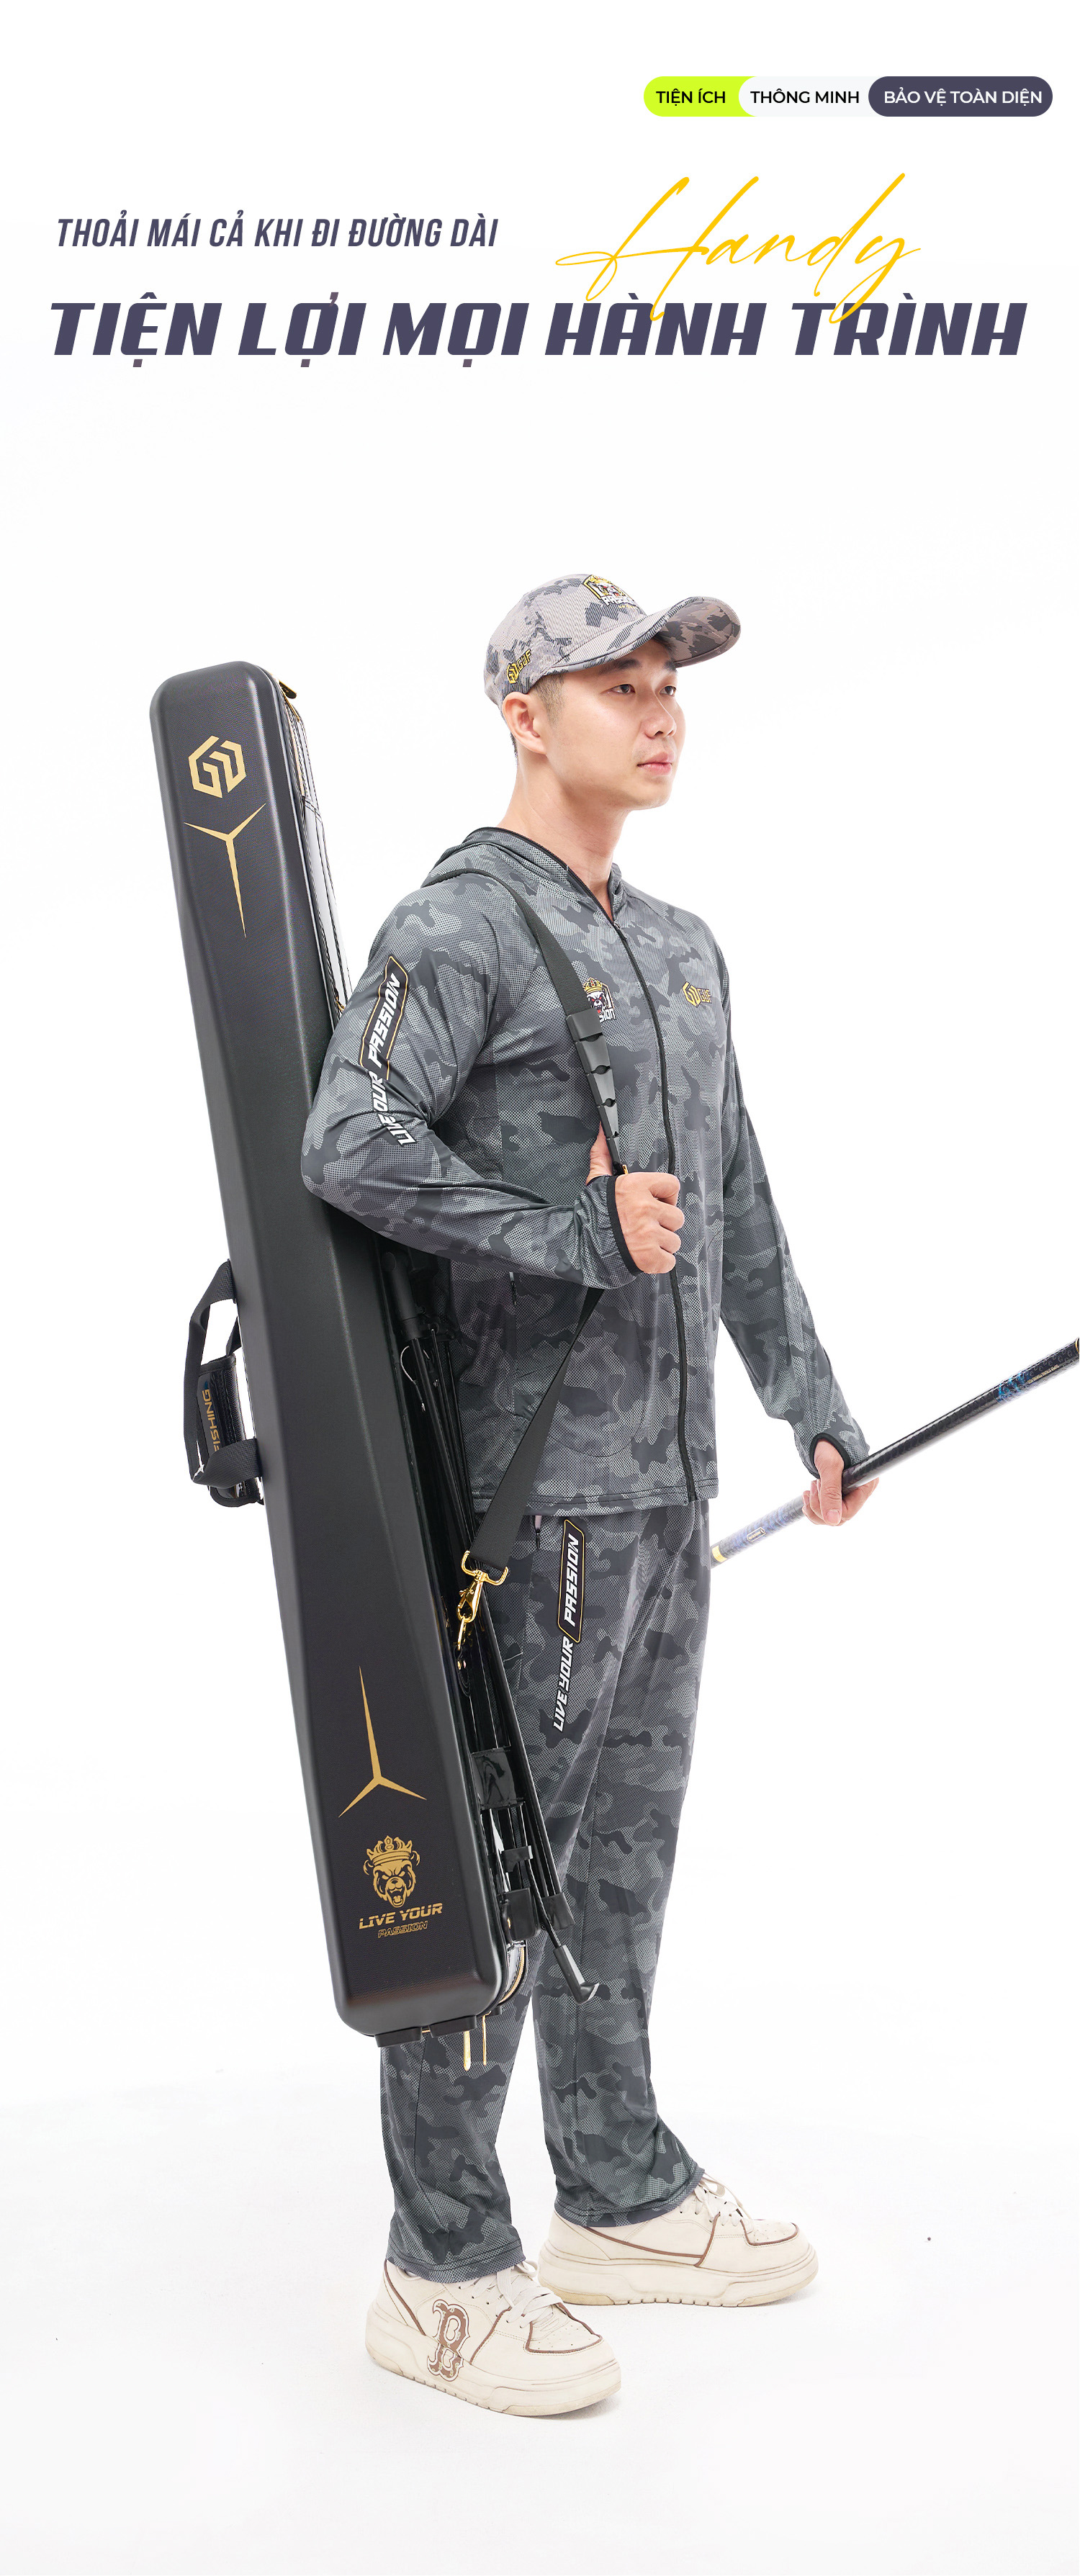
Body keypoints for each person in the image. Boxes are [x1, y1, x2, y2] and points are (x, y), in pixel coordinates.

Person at [301, 572, 876, 2417]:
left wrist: (808, 1400)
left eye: (668, 686)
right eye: (617, 686)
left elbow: (736, 1195)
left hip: (669, 1494)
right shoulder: (461, 925)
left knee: (619, 1864)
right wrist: (568, 1228)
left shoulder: (686, 945)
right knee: (500, 1876)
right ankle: (442, 2263)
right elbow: (347, 1140)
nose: (659, 713)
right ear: (524, 716)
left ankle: (614, 2185)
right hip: (529, 1509)